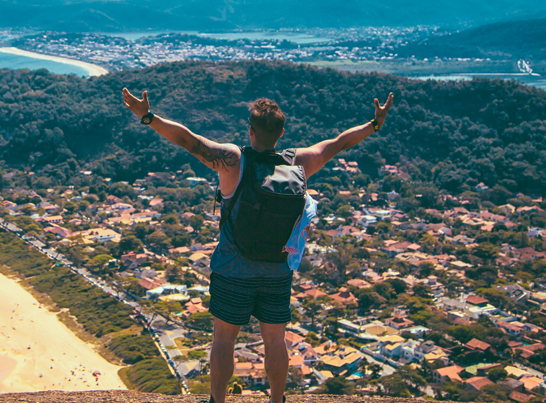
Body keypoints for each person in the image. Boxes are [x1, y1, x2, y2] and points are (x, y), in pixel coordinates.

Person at [122, 88, 393, 403]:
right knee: (276, 342)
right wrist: (374, 124)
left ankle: (218, 401)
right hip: (278, 270)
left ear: (250, 131)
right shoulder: (300, 162)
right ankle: (277, 400)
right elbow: (339, 143)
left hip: (232, 268)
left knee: (224, 340)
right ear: (281, 133)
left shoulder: (233, 160)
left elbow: (188, 139)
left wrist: (148, 117)